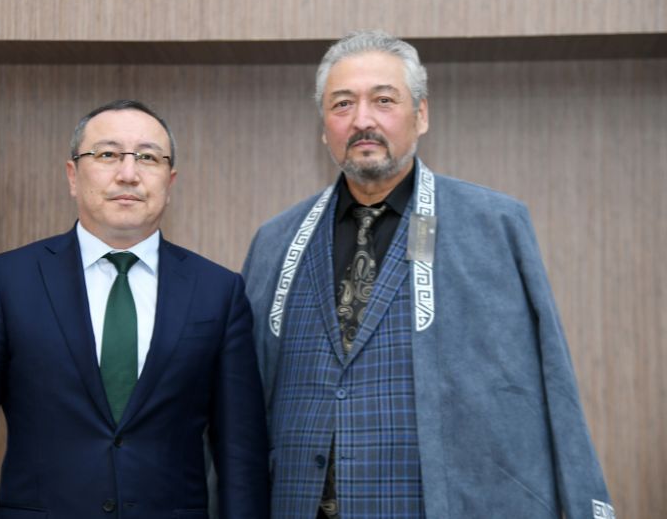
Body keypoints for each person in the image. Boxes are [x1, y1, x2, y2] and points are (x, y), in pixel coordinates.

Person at [243, 31, 615, 519]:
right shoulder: (276, 241)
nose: (362, 120)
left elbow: (552, 379)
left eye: (384, 100)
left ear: (421, 115)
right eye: (342, 104)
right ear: (323, 127)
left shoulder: (494, 227)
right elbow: (239, 402)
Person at [0, 99, 270, 519]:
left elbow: (242, 458)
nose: (128, 173)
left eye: (148, 157)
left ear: (170, 181)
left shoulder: (218, 292)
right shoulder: (6, 282)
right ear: (73, 175)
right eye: (107, 154)